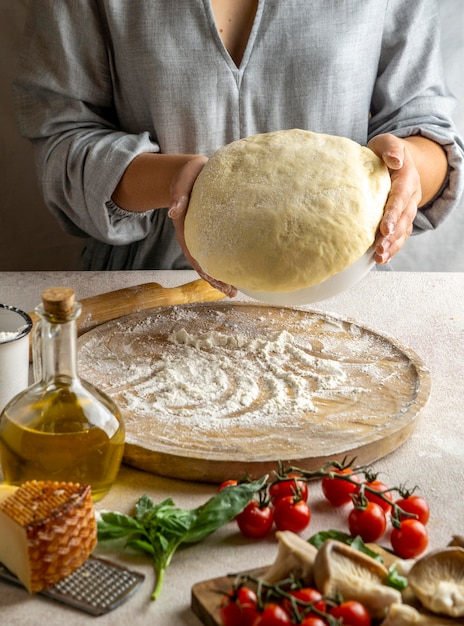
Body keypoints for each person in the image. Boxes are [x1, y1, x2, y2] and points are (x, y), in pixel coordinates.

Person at [13, 1, 464, 295]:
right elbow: (64, 141)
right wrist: (175, 183)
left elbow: (425, 126)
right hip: (146, 293)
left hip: (340, 292)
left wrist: (407, 171)